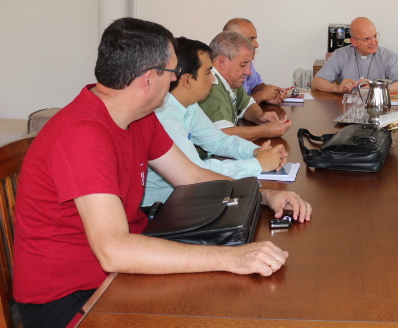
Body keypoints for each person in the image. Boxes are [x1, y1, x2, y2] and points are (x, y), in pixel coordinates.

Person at [13, 18, 311, 328]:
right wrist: (233, 258)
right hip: (72, 297)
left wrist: (263, 195)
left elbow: (192, 177)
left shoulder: (140, 118)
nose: (175, 82)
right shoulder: (83, 134)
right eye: (171, 73)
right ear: (148, 79)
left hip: (119, 268)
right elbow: (114, 250)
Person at [144, 36, 288, 206]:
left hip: (186, 197)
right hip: (164, 207)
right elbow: (197, 172)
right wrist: (256, 164)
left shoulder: (189, 105)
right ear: (188, 79)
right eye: (208, 72)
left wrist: (256, 151)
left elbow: (218, 140)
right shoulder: (164, 116)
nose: (213, 79)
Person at [198, 31, 292, 141]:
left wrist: (259, 116)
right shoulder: (210, 85)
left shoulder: (232, 80)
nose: (248, 72)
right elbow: (223, 135)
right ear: (222, 62)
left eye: (249, 65)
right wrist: (266, 130)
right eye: (243, 65)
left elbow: (247, 104)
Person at [311, 17, 398, 93]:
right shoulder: (340, 55)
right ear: (354, 41)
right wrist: (336, 88)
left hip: (379, 108)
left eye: (374, 36)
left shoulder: (388, 56)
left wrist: (376, 87)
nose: (373, 42)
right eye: (366, 39)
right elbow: (316, 82)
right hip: (348, 108)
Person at [223, 18, 287, 105]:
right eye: (250, 39)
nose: (256, 45)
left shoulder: (247, 61)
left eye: (255, 39)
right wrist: (260, 96)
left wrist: (270, 93)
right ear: (230, 42)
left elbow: (256, 85)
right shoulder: (220, 67)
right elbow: (231, 108)